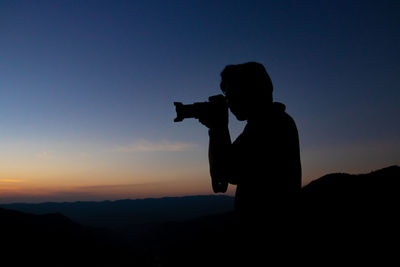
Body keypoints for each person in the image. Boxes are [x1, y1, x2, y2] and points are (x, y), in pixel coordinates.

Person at [198, 62, 302, 224]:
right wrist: (217, 128)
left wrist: (217, 128)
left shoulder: (270, 125)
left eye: (231, 93)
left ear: (250, 90)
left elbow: (226, 171)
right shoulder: (269, 122)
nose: (229, 102)